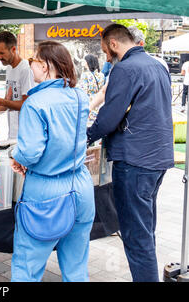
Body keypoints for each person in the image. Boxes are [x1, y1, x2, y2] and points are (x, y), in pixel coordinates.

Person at [87, 24, 174, 282]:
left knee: (136, 236)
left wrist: (86, 136)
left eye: (105, 51)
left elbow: (109, 117)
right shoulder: (158, 65)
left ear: (113, 44)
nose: (105, 57)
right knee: (145, 231)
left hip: (135, 161)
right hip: (157, 159)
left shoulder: (124, 68)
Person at [10, 40, 94, 282]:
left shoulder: (35, 103)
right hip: (81, 186)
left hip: (46, 193)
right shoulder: (79, 96)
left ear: (46, 66)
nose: (30, 66)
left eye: (33, 61)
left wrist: (15, 157)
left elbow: (30, 153)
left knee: (28, 267)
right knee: (77, 267)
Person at [0, 31, 35, 140]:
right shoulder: (9, 68)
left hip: (26, 135)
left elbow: (26, 104)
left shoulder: (25, 70)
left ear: (13, 49)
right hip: (13, 133)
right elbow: (8, 101)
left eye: (2, 53)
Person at [78, 54, 105, 121]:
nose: (82, 62)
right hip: (100, 102)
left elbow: (83, 91)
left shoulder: (85, 75)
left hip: (90, 102)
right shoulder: (101, 75)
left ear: (87, 62)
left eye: (84, 60)